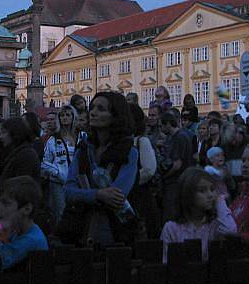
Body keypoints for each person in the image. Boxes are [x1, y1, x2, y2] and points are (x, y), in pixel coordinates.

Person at [60, 92, 138, 246]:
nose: (93, 112)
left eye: (101, 109)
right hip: (80, 229)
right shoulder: (83, 149)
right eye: (92, 107)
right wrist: (98, 194)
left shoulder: (129, 152)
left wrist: (84, 195)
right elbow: (68, 190)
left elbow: (117, 196)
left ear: (115, 116)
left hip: (115, 233)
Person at [160, 167, 237, 262]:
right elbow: (166, 261)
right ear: (188, 194)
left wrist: (220, 201)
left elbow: (231, 231)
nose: (210, 195)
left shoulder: (216, 224)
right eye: (202, 191)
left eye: (212, 189)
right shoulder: (171, 228)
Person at [0, 176, 49, 270]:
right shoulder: (15, 231)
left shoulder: (31, 240)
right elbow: (2, 243)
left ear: (26, 209)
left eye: (6, 203)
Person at [41, 105, 78, 224]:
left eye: (68, 115)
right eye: (62, 115)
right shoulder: (53, 139)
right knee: (60, 213)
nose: (65, 118)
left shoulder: (81, 137)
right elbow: (45, 162)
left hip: (77, 181)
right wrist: (57, 172)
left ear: (73, 117)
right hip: (58, 182)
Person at [158, 111, 195, 223]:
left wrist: (164, 177)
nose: (160, 129)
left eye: (161, 125)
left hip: (177, 181)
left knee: (172, 214)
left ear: (168, 124)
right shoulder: (172, 137)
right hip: (174, 181)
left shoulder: (180, 137)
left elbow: (177, 165)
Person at [130, 103, 159, 238]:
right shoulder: (129, 140)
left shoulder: (142, 141)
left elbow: (148, 170)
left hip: (141, 194)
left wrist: (130, 181)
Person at [0, 117, 41, 194]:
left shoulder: (26, 156)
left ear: (14, 133)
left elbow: (21, 189)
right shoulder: (17, 152)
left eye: (4, 132)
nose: (1, 136)